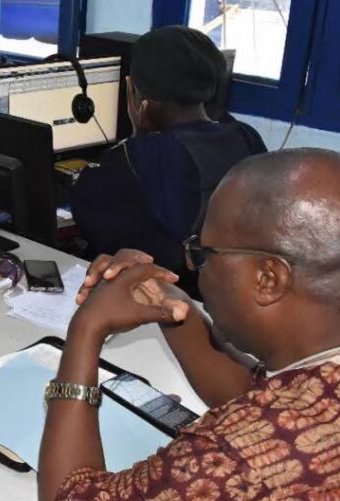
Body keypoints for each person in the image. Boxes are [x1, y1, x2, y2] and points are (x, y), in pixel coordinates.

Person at [37, 148, 340, 501]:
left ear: (268, 278)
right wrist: (171, 305)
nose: (196, 270)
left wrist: (85, 331)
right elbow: (261, 394)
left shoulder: (237, 463)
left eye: (204, 255)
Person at [69, 25, 267, 298]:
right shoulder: (245, 135)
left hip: (171, 298)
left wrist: (138, 135)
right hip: (236, 296)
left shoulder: (140, 156)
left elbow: (86, 210)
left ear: (140, 97)